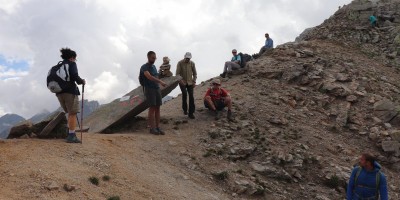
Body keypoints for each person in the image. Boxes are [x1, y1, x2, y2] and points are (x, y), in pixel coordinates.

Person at [56, 48, 86, 143]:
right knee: (72, 113)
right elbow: (75, 76)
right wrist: (82, 81)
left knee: (69, 113)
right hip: (70, 92)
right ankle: (72, 136)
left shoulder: (58, 66)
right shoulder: (71, 64)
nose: (75, 60)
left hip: (59, 93)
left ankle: (69, 133)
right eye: (75, 58)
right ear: (72, 58)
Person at [140, 51, 167, 135]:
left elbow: (156, 75)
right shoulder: (144, 67)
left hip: (156, 88)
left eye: (155, 58)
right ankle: (152, 128)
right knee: (152, 108)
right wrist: (160, 82)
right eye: (152, 58)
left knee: (158, 108)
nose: (154, 59)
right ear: (148, 57)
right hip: (149, 89)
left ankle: (157, 127)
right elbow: (149, 77)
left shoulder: (154, 67)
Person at [176, 52, 197, 119]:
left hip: (190, 82)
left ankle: (191, 112)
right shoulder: (180, 63)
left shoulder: (192, 63)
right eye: (186, 58)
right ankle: (185, 109)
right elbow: (177, 74)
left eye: (189, 58)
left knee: (191, 96)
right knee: (184, 94)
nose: (187, 59)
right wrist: (180, 81)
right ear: (184, 57)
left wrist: (194, 81)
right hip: (182, 82)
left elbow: (195, 74)